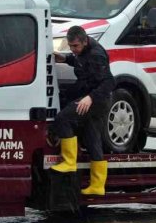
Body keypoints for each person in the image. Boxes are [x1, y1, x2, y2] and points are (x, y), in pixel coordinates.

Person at [49, 25, 115, 196]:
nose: (73, 49)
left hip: (97, 99)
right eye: (70, 46)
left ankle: (69, 161)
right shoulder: (83, 52)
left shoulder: (97, 55)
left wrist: (90, 97)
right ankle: (97, 185)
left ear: (85, 42)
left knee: (63, 118)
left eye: (75, 46)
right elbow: (79, 60)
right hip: (89, 95)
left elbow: (109, 82)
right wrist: (65, 58)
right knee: (92, 138)